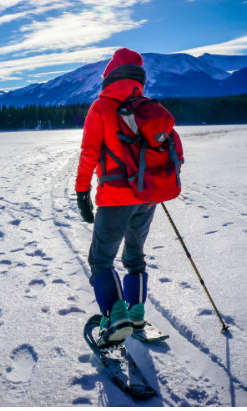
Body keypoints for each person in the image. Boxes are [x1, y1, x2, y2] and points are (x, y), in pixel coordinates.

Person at [74, 49, 183, 345]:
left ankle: (115, 317)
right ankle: (136, 315)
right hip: (147, 196)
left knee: (100, 259)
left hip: (115, 198)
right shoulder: (146, 107)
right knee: (134, 255)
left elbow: (88, 154)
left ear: (110, 74)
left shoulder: (102, 107)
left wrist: (82, 191)